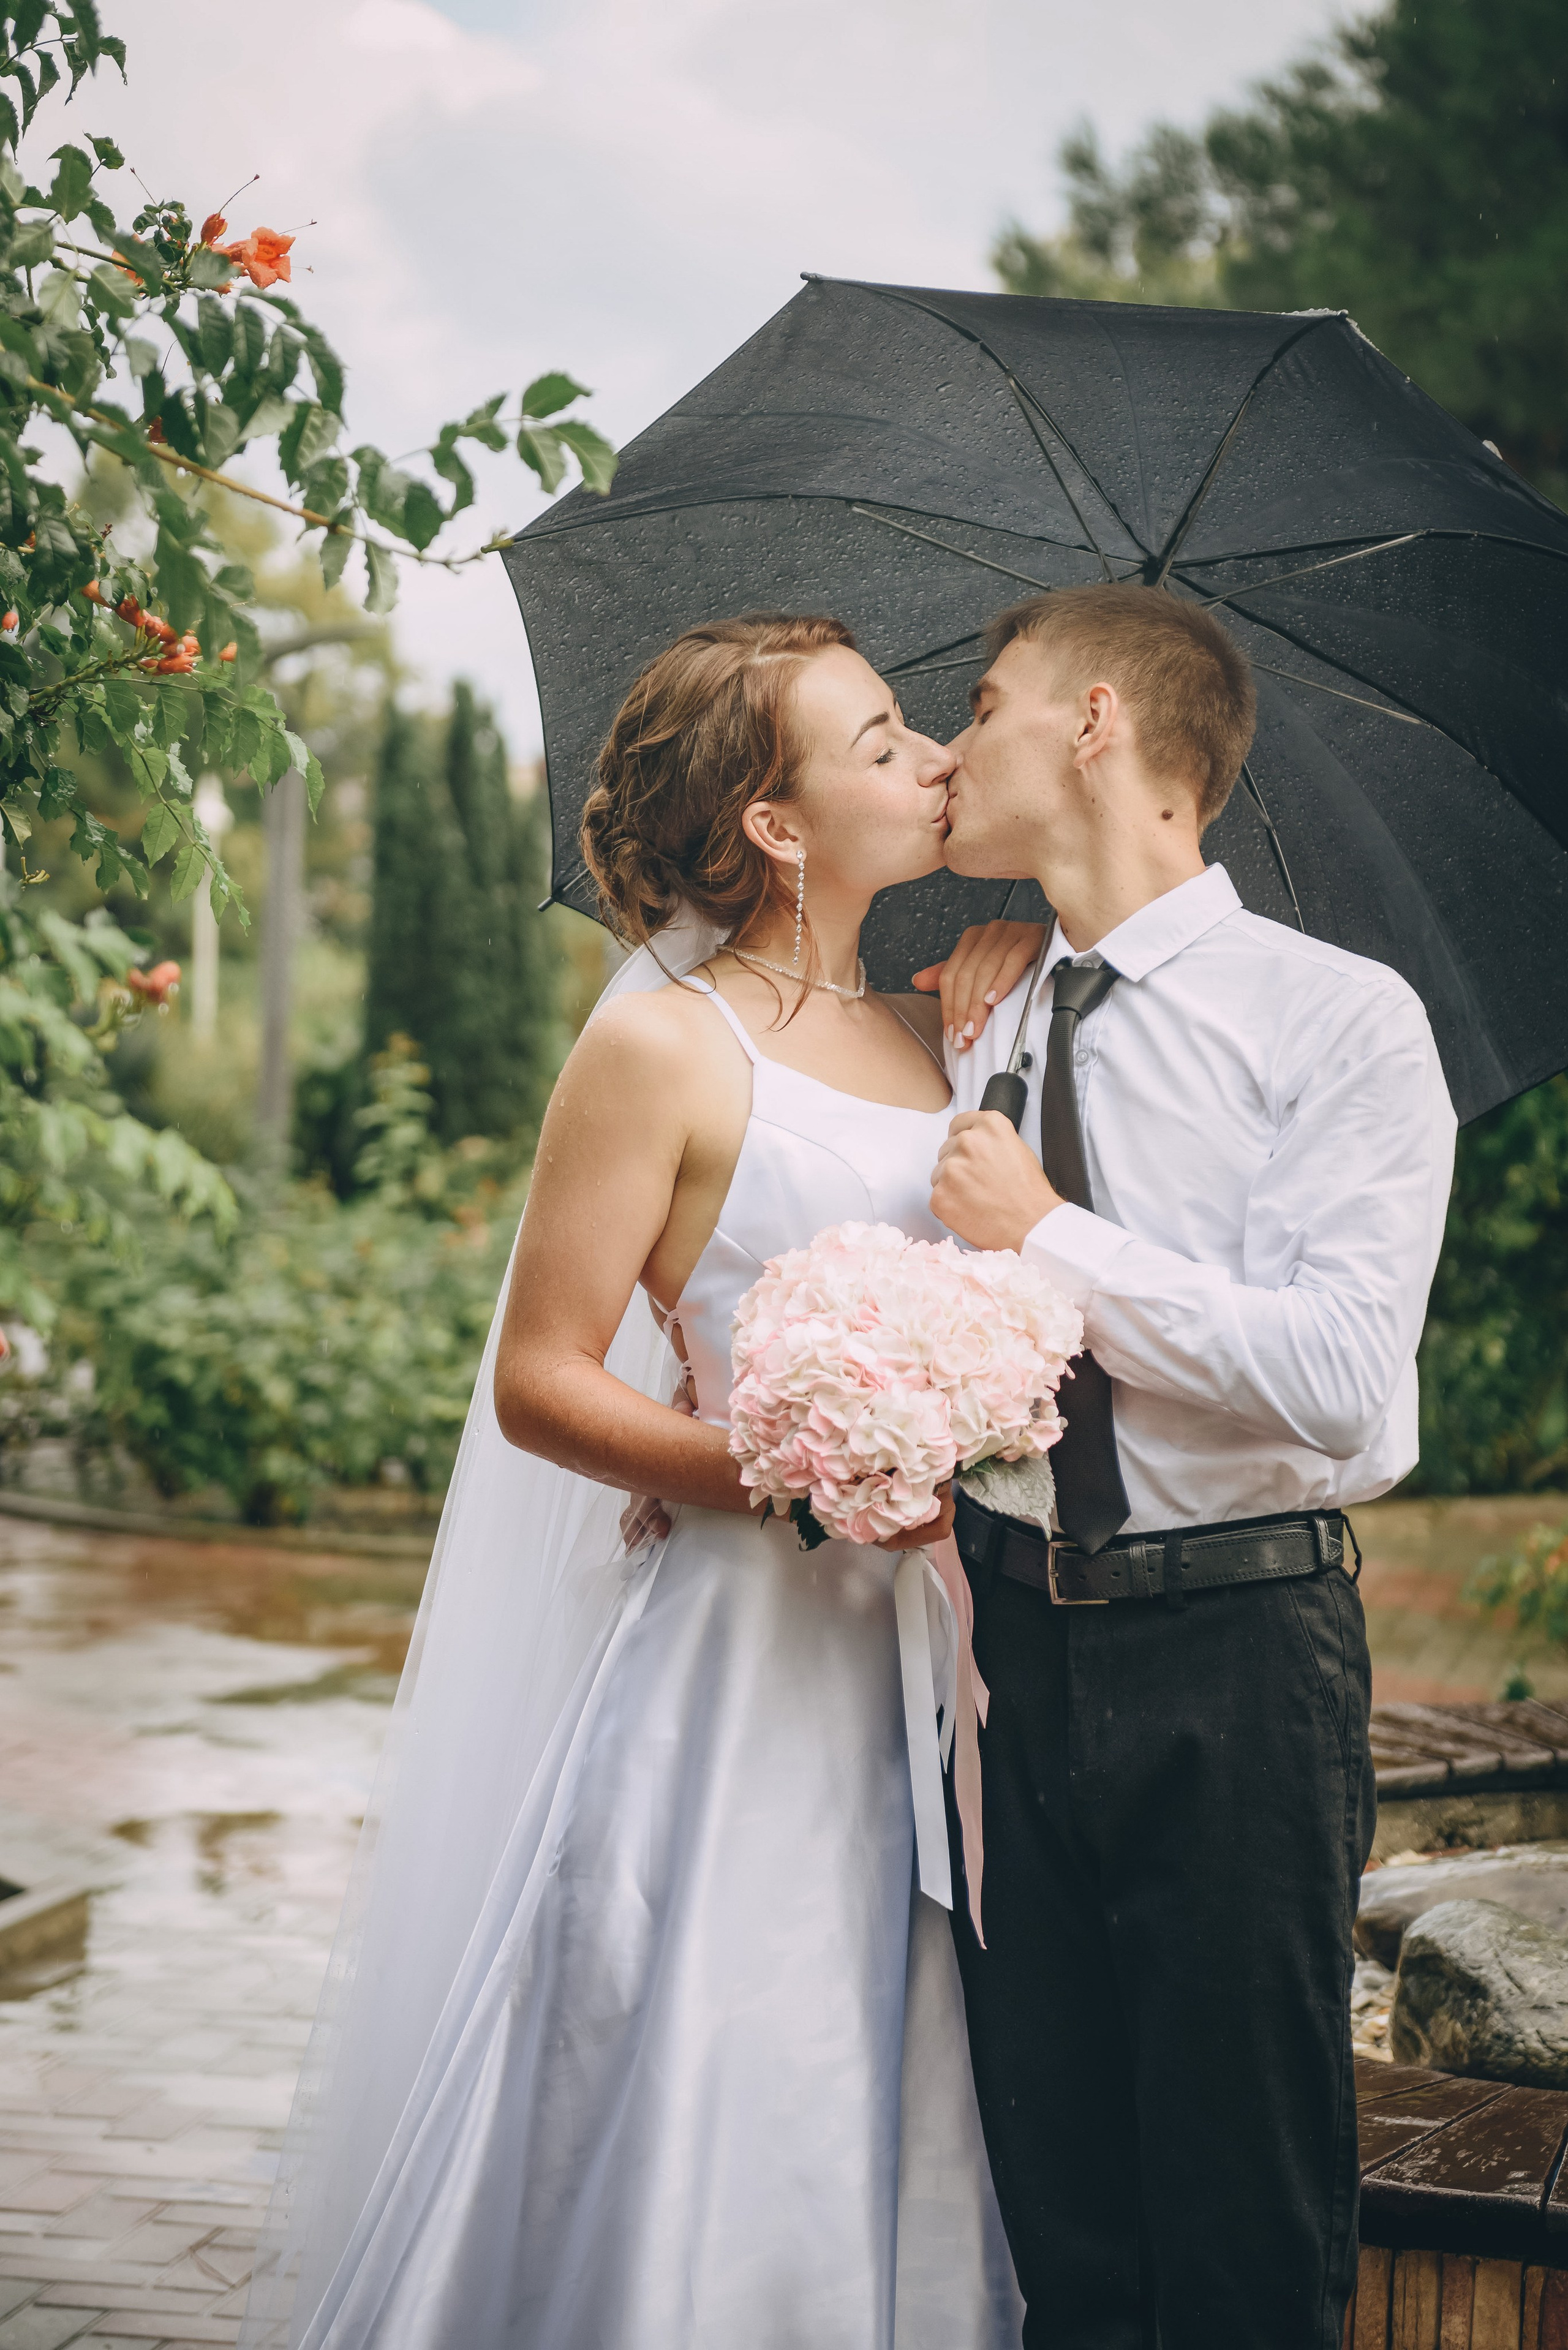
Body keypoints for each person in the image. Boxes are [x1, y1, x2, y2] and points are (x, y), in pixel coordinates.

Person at [240, 614, 1023, 2350]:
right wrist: (798, 1469)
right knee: (721, 2066)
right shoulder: (664, 1048)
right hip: (742, 1671)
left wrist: (1008, 955)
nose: (932, 761)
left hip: (937, 1661)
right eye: (882, 742)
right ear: (780, 826)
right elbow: (541, 1380)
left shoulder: (950, 1018)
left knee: (912, 2087)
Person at [915, 583, 1457, 2350]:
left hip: (1236, 1654)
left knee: (1241, 2215)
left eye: (982, 705)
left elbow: (1334, 1377)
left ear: (1094, 724)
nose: (951, 744)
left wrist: (1054, 1234)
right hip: (1010, 1652)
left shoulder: (1340, 1020)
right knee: (1061, 2216)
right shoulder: (987, 1014)